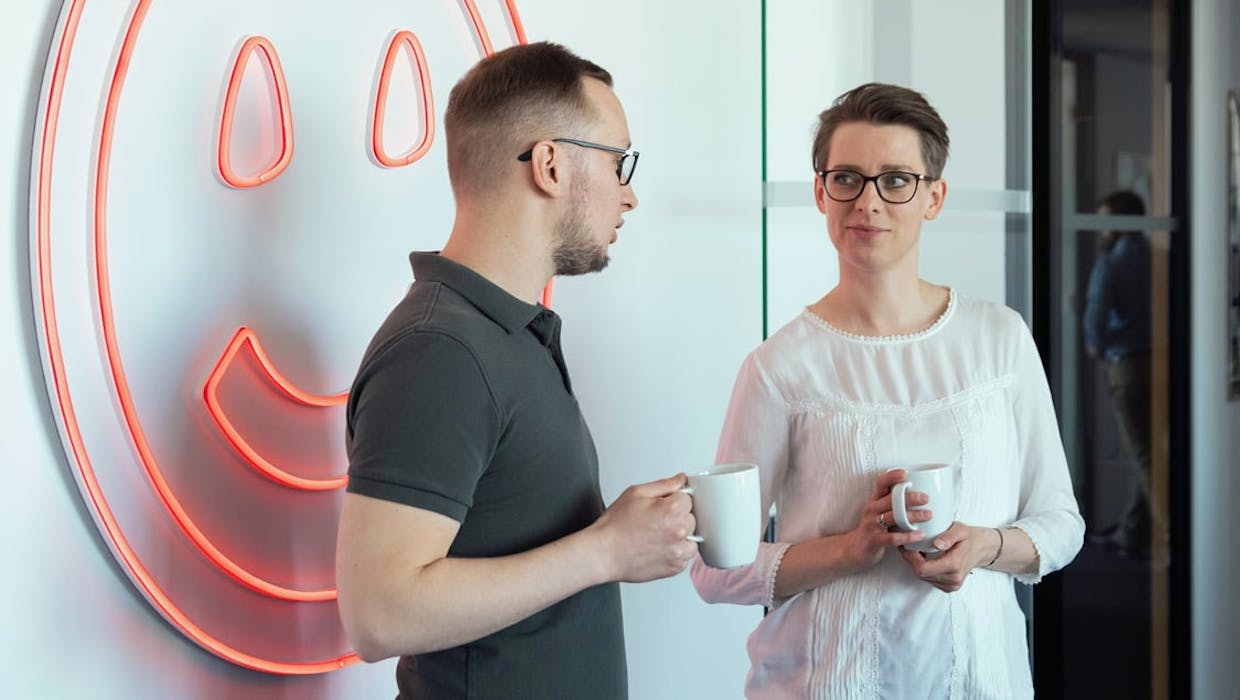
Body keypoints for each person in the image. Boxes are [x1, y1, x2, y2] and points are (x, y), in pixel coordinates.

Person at [690, 83, 1084, 698]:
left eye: (895, 180)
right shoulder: (778, 367)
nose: (868, 202)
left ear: (934, 197)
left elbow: (1062, 523)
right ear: (821, 192)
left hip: (984, 684)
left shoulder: (999, 338)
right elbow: (714, 571)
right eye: (847, 178)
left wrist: (985, 546)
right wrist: (850, 550)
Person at [336, 42, 697, 699]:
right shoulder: (440, 353)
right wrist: (606, 552)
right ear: (551, 165)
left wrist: (615, 534)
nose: (631, 194)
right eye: (619, 163)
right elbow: (378, 614)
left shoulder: (508, 336)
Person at [1082, 190, 1156, 558]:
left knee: (1144, 455)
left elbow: (1095, 323)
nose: (1102, 231)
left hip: (1126, 365)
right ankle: (1132, 530)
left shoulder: (1110, 264)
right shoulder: (1161, 256)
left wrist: (1097, 346)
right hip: (1165, 362)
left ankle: (1172, 534)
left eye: (1107, 221)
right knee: (1152, 453)